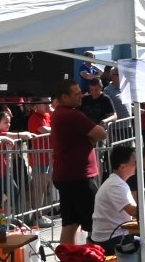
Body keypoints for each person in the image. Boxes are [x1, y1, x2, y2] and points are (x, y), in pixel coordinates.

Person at [52, 78, 109, 245]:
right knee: (98, 222)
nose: (81, 97)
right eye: (76, 94)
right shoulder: (71, 114)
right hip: (78, 176)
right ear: (64, 97)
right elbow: (101, 133)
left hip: (66, 176)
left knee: (70, 222)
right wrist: (91, 136)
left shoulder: (60, 113)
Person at [89, 142, 139, 245]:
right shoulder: (116, 185)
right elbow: (133, 211)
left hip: (114, 235)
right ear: (122, 167)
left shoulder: (117, 182)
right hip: (111, 239)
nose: (136, 166)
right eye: (134, 163)